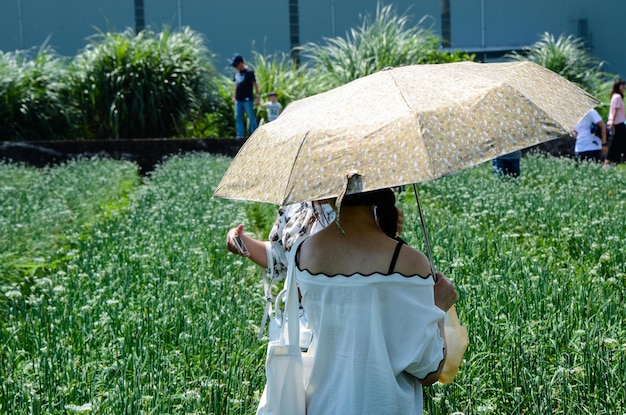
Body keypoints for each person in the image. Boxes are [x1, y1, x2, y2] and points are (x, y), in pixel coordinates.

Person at [293, 188, 457, 415]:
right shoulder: (410, 262)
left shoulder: (303, 253)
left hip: (322, 405)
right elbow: (429, 370)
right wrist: (439, 306)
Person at [230, 54, 260, 139]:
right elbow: (236, 85)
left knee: (251, 117)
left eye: (236, 65)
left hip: (247, 99)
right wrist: (234, 96)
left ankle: (254, 134)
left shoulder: (249, 72)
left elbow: (255, 84)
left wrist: (257, 97)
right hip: (238, 100)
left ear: (241, 63)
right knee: (238, 117)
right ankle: (240, 135)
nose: (235, 67)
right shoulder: (236, 73)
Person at [605, 78, 626, 165]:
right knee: (615, 143)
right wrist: (612, 122)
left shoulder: (615, 96)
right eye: (622, 85)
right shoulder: (617, 97)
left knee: (619, 143)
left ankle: (615, 161)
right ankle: (608, 161)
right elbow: (614, 111)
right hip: (618, 124)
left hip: (617, 123)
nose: (624, 87)